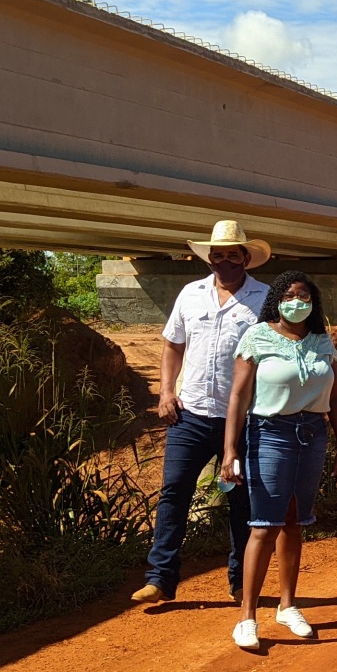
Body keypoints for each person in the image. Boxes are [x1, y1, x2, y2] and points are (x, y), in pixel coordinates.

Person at [135, 220, 271, 607]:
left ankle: (241, 582)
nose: (224, 261)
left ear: (246, 258)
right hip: (190, 414)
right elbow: (173, 346)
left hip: (245, 420)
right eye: (218, 254)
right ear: (208, 258)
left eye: (232, 254)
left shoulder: (265, 299)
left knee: (242, 501)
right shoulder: (190, 294)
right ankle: (160, 579)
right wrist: (165, 391)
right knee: (174, 492)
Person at [220, 271, 337, 653]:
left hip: (313, 434)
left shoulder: (322, 341)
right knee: (264, 524)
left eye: (305, 296)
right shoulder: (257, 336)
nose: (298, 302)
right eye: (291, 295)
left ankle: (288, 605)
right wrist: (230, 451)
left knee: (295, 521)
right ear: (277, 299)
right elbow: (239, 397)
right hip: (270, 434)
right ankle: (247, 616)